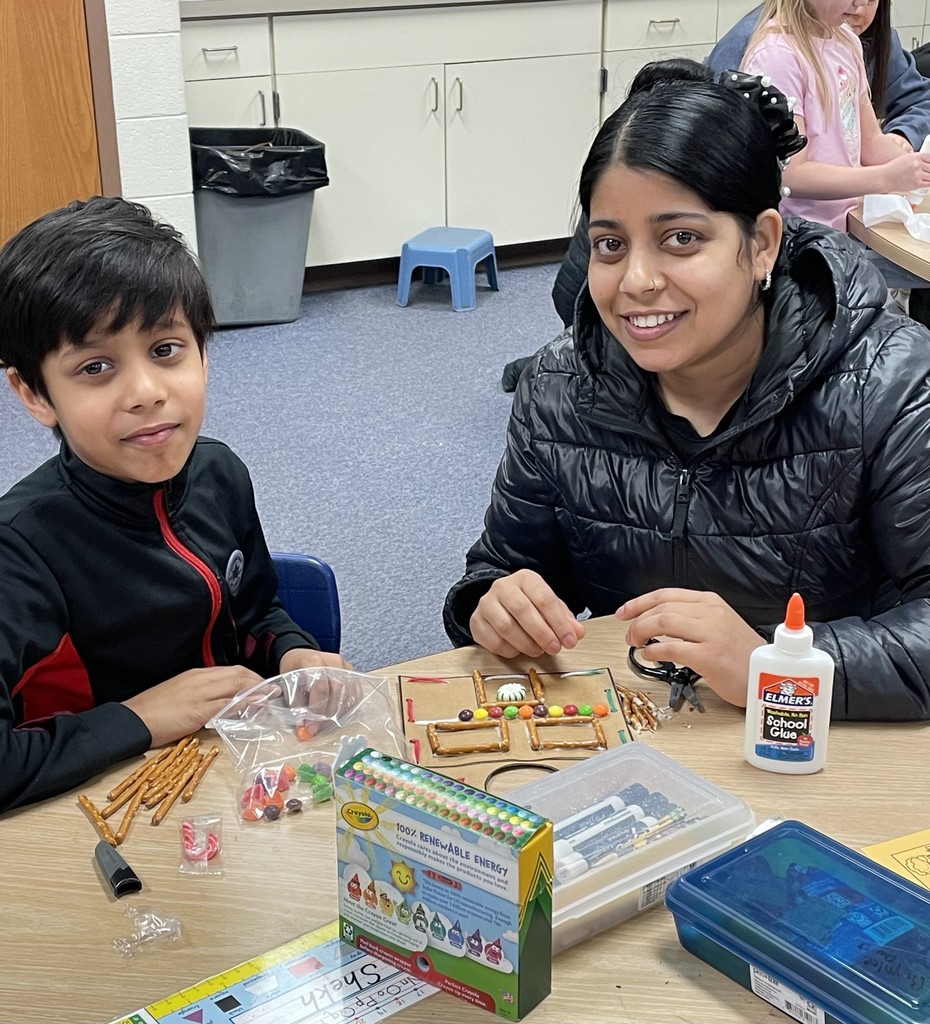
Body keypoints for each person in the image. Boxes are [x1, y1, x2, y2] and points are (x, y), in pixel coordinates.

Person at [445, 59, 930, 722]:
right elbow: (504, 567)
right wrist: (492, 605)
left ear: (761, 244)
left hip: (829, 751)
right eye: (611, 245)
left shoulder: (889, 384)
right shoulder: (561, 384)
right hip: (645, 750)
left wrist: (771, 664)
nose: (637, 280)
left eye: (681, 238)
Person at [0, 196, 348, 812]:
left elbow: (254, 611)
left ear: (204, 354)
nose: (146, 393)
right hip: (104, 808)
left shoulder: (219, 472)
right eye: (96, 366)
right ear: (34, 394)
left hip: (232, 777)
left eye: (166, 349)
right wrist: (137, 717)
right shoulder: (19, 549)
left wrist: (292, 650)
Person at [546, 0, 930, 335]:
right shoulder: (778, 55)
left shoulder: (845, 40)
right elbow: (792, 174)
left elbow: (871, 142)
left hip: (850, 222)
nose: (862, 5)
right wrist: (883, 178)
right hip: (801, 236)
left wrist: (912, 165)